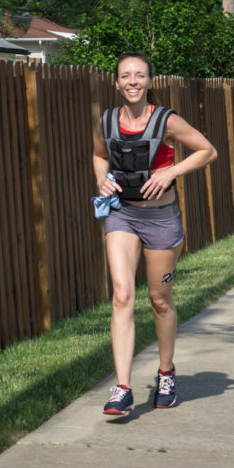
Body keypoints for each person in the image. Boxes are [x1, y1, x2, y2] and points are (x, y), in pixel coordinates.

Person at [92, 52, 218, 416]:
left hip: (162, 219)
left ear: (149, 81)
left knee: (160, 300)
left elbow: (207, 151)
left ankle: (166, 373)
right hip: (122, 216)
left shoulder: (166, 121)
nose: (132, 81)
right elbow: (100, 155)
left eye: (139, 76)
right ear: (116, 82)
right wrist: (101, 179)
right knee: (121, 293)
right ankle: (123, 388)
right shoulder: (106, 121)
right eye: (125, 76)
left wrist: (170, 173)